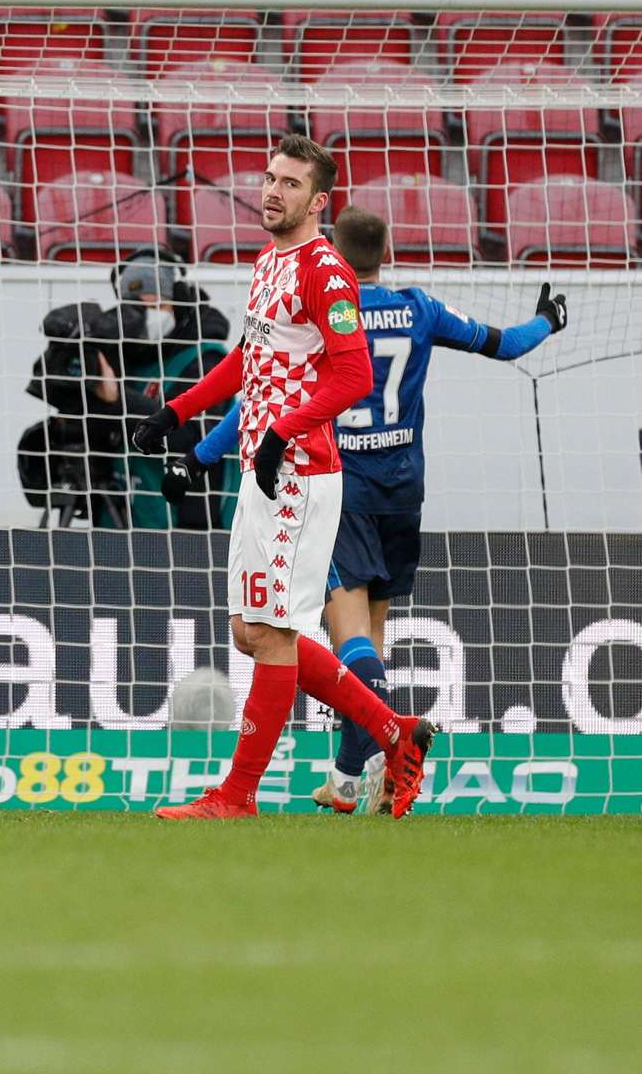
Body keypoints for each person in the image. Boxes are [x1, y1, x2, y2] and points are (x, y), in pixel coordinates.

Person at [178, 207, 568, 812]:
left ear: (335, 249)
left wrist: (202, 454)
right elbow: (505, 344)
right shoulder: (419, 308)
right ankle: (358, 776)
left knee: (346, 637)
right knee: (370, 639)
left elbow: (258, 393)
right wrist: (547, 320)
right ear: (387, 253)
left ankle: (366, 765)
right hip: (403, 492)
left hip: (338, 490)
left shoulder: (319, 306)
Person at [132, 135, 438, 819]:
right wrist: (178, 411)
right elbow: (249, 358)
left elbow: (353, 374)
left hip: (300, 475)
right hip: (259, 468)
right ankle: (394, 731)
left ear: (319, 201)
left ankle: (236, 795)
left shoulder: (326, 271)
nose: (273, 191)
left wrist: (281, 432)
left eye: (291, 184)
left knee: (272, 634)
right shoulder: (269, 260)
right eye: (270, 178)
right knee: (250, 631)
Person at [22, 252, 235, 529]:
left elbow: (190, 438)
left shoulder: (207, 358)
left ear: (177, 301)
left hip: (187, 521)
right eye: (135, 307)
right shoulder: (121, 353)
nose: (146, 315)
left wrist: (117, 399)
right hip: (121, 512)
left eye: (155, 304)